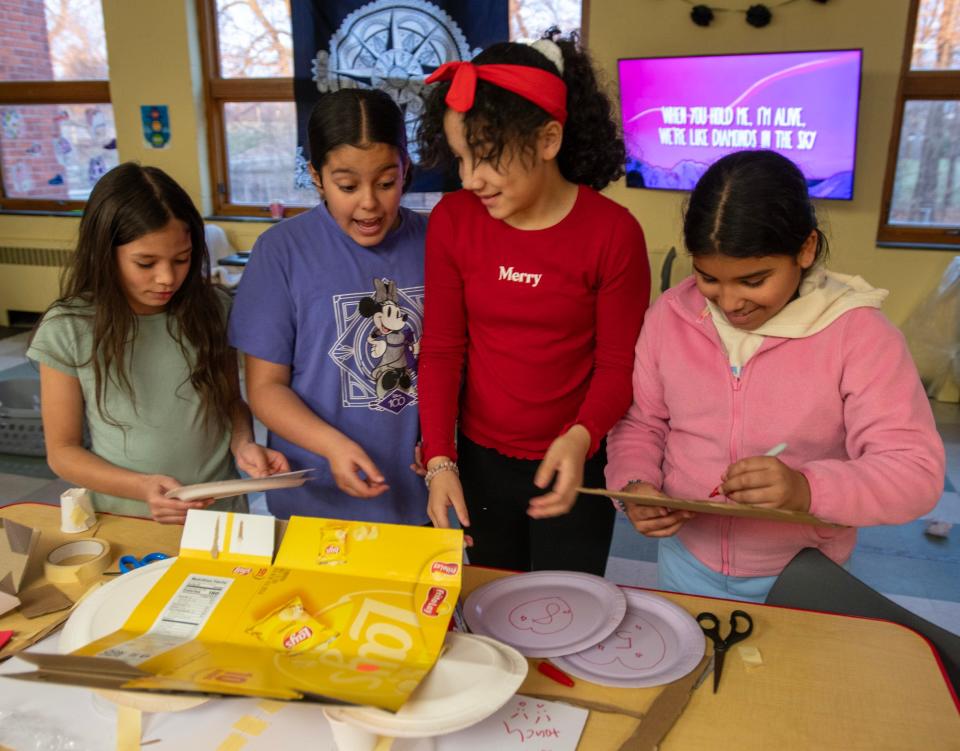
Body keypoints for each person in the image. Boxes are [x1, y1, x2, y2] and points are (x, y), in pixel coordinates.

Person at [606, 150, 945, 601]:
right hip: (685, 560)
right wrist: (634, 484)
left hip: (805, 575)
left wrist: (806, 490)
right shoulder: (670, 317)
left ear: (805, 249)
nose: (729, 303)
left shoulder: (858, 334)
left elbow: (914, 473)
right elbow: (643, 423)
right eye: (709, 278)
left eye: (753, 280)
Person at [416, 33, 650, 574]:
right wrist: (439, 459)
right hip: (478, 461)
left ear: (548, 140)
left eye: (487, 157)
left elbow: (618, 366)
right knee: (489, 604)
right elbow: (443, 350)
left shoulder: (613, 234)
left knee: (567, 611)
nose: (470, 178)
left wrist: (583, 434)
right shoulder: (453, 221)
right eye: (459, 158)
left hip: (573, 460)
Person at [29, 162, 288, 524]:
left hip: (217, 514)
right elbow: (62, 451)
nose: (167, 278)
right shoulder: (69, 327)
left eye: (181, 260)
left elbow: (230, 401)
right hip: (127, 517)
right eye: (145, 263)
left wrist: (243, 443)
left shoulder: (212, 309)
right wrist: (142, 486)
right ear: (105, 253)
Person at [229, 88, 429, 523]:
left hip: (416, 499)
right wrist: (333, 446)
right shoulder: (282, 251)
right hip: (314, 495)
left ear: (406, 169)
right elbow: (265, 388)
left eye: (386, 182)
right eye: (347, 185)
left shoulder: (436, 241)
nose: (369, 202)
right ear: (316, 176)